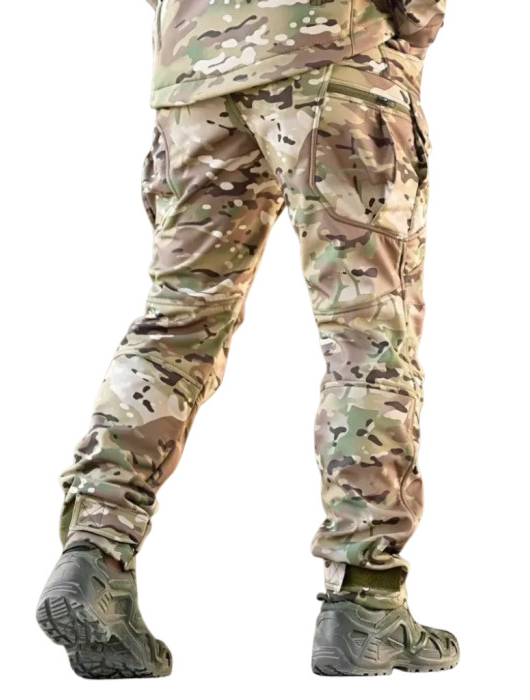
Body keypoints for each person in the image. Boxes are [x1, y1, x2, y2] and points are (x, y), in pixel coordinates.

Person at [36, 0, 458, 678]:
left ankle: (96, 552)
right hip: (333, 50)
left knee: (177, 322)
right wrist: (413, 25)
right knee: (367, 336)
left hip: (195, 69)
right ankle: (367, 599)